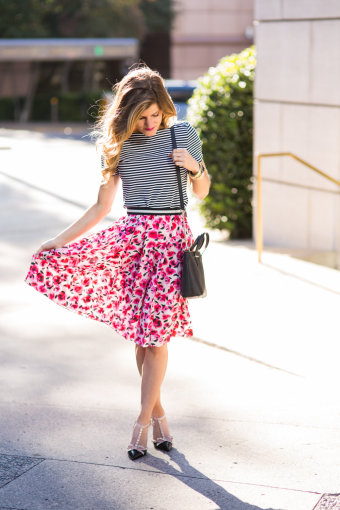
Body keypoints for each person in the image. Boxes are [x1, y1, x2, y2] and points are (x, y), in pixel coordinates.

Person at [24, 64, 211, 460]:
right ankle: (160, 418)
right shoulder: (119, 143)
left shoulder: (183, 133)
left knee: (157, 338)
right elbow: (101, 206)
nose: (148, 123)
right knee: (142, 340)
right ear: (127, 113)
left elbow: (203, 191)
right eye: (141, 116)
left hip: (169, 245)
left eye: (155, 115)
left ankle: (141, 423)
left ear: (164, 107)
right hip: (132, 244)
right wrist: (57, 241)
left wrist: (195, 166)